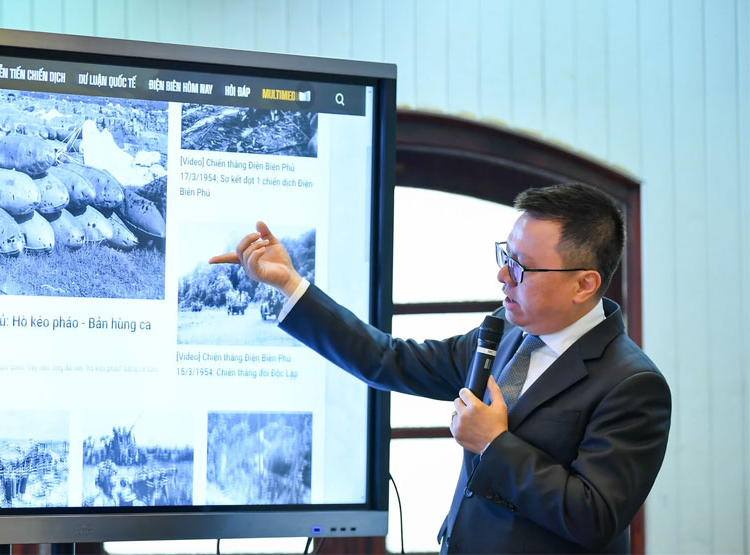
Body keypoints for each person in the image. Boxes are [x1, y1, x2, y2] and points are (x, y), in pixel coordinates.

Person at [209, 183, 671, 553]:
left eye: (522, 268)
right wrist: (290, 284)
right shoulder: (504, 331)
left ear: (584, 285)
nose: (502, 277)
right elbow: (389, 359)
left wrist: (493, 444)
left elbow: (594, 517)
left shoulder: (632, 384)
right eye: (504, 256)